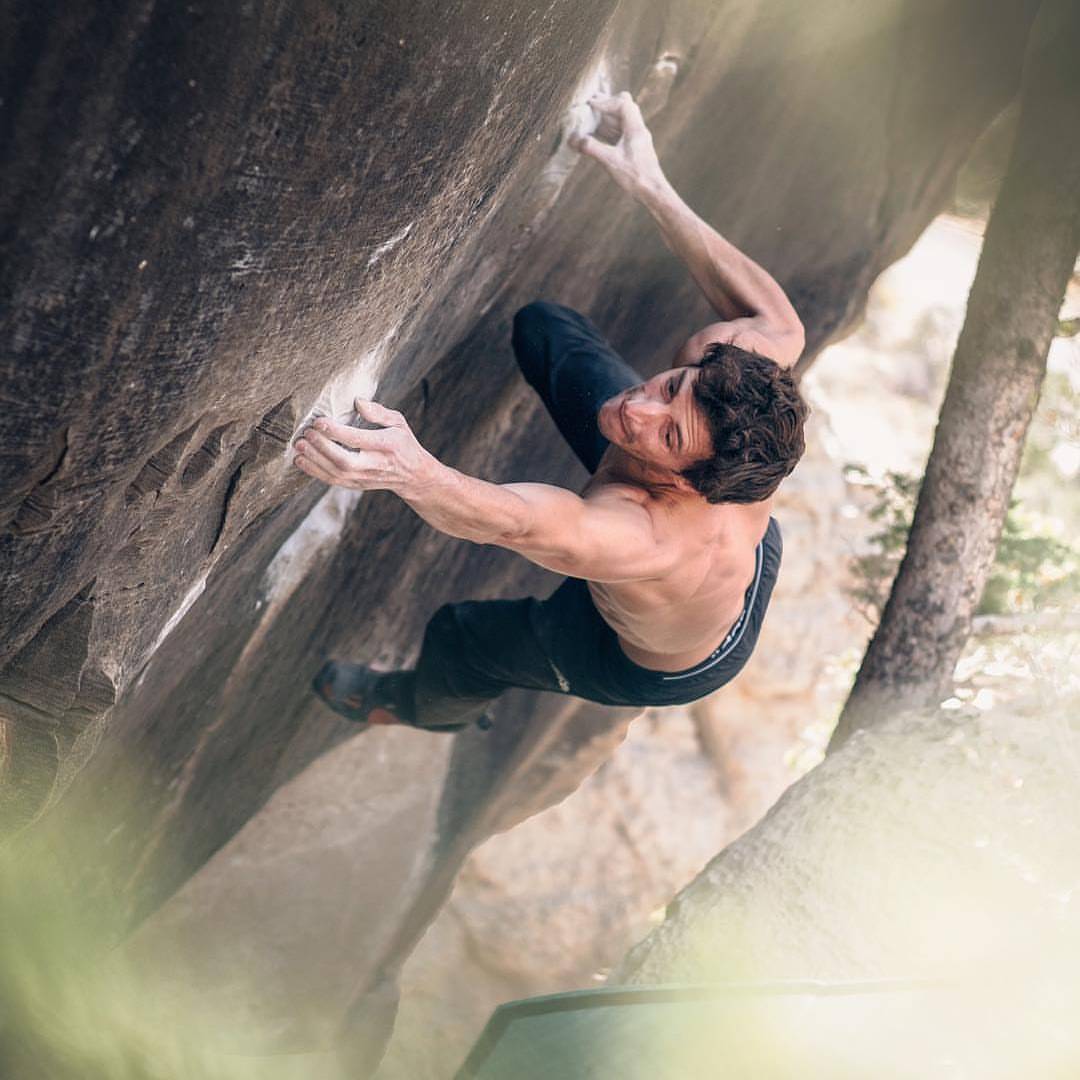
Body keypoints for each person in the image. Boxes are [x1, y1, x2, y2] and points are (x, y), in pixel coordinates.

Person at [295, 92, 808, 732]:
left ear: (689, 479)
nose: (638, 406)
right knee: (545, 330)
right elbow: (781, 325)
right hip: (739, 552)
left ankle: (413, 708)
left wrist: (411, 471)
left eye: (667, 432)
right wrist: (651, 185)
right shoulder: (721, 382)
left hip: (657, 656)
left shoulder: (639, 534)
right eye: (669, 385)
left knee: (465, 638)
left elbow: (518, 524)